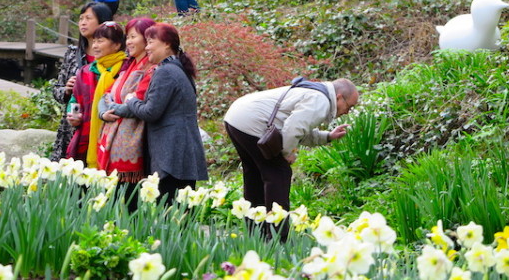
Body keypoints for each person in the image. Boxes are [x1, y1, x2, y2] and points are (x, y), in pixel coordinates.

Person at [223, 78, 359, 240]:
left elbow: (298, 128)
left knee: (255, 177)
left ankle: (255, 233)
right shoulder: (320, 101)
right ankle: (277, 238)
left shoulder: (315, 93)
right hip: (252, 123)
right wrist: (288, 152)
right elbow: (293, 129)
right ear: (338, 97)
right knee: (279, 174)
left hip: (236, 118)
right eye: (349, 106)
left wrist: (328, 136)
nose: (347, 112)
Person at [114, 23, 208, 203]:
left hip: (171, 155)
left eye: (150, 42)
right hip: (183, 152)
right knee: (182, 210)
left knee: (170, 212)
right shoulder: (179, 69)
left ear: (166, 44)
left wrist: (131, 100)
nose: (147, 47)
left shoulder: (165, 72)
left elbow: (150, 112)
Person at [96, 18, 157, 211]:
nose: (128, 42)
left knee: (128, 202)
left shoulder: (150, 67)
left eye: (133, 37)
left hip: (132, 141)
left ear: (147, 39)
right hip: (113, 135)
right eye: (127, 37)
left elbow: (138, 102)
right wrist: (103, 112)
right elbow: (107, 94)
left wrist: (112, 107)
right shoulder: (129, 65)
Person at [50, 2, 113, 162]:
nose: (83, 22)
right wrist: (67, 89)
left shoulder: (116, 57)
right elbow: (56, 90)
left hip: (103, 125)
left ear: (102, 22)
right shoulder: (72, 54)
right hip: (73, 127)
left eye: (88, 18)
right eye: (80, 18)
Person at [66, 21, 127, 167]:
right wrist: (73, 115)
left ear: (117, 45)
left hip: (119, 138)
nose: (95, 46)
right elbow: (75, 100)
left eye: (100, 41)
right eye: (94, 41)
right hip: (89, 136)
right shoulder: (86, 72)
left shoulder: (127, 70)